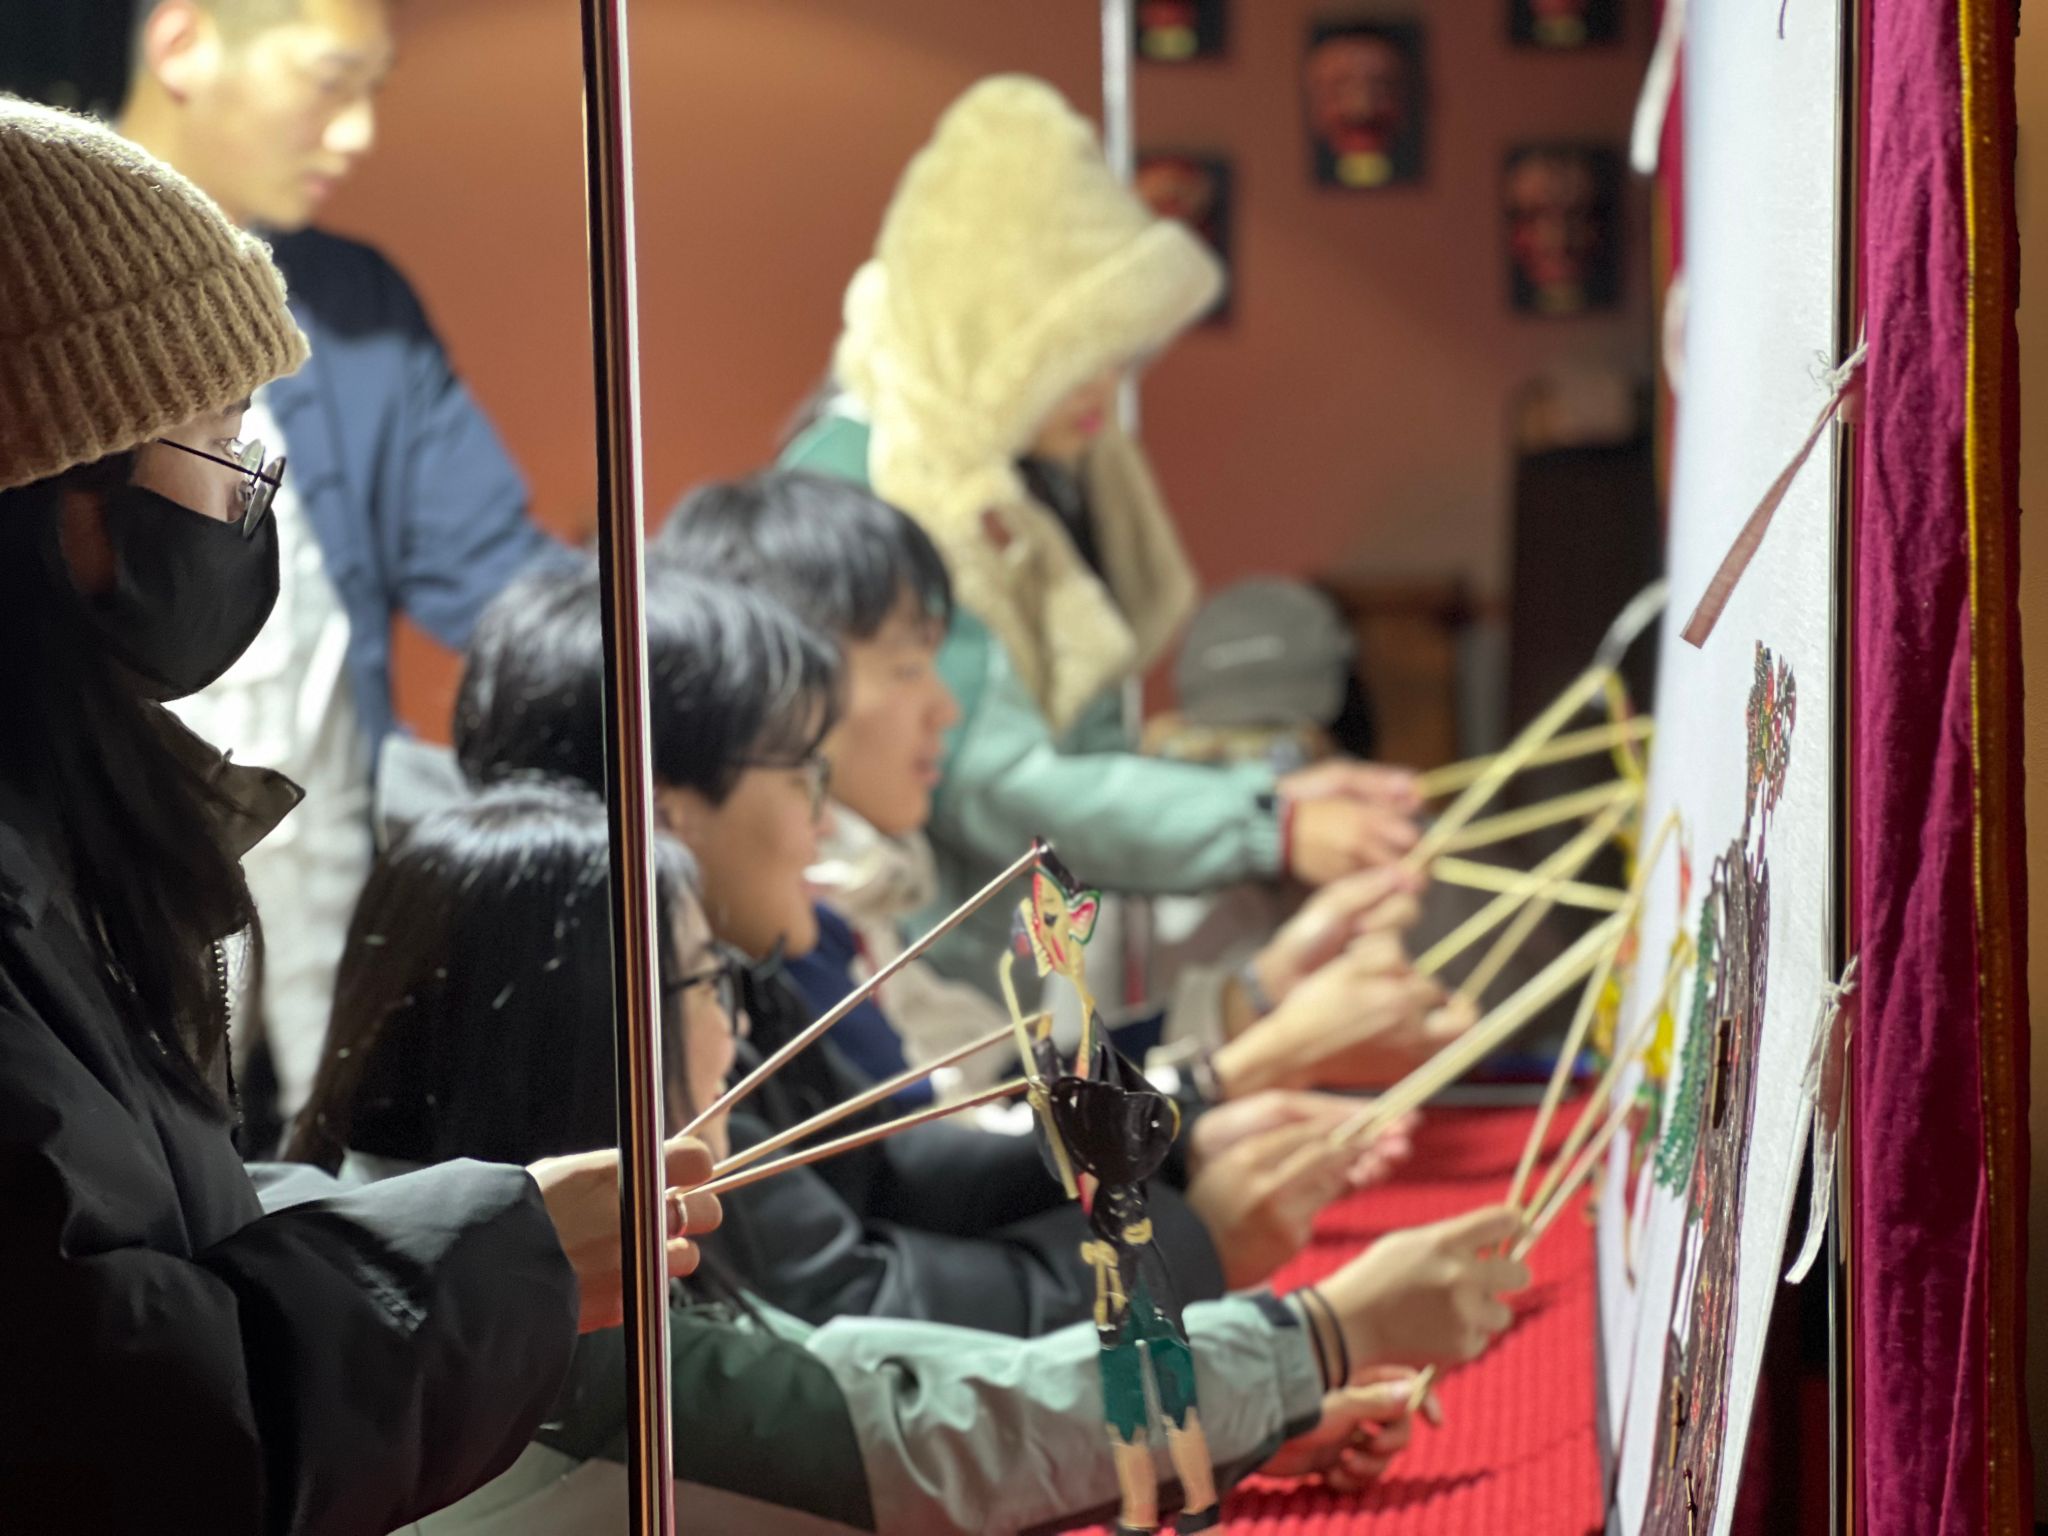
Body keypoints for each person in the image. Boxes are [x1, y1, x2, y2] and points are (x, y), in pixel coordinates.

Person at [0, 100, 713, 1535]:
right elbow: (113, 1422)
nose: (251, 498)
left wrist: (454, 1233)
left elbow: (160, 1227)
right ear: (58, 485)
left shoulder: (59, 821)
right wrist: (488, 1268)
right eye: (221, 443)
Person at [294, 779, 1534, 1536]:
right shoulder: (525, 1323)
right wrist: (1316, 1335)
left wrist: (1238, 1412)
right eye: (707, 981)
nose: (734, 1024)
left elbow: (835, 1368)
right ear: (585, 1032)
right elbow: (913, 1438)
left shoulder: (397, 1240)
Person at [450, 557, 1432, 1327]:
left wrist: (1180, 1121)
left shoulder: (732, 963)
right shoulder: (620, 1034)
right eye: (801, 770)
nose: (824, 819)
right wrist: (1190, 1259)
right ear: (666, 816)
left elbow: (901, 1171)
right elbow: (851, 1318)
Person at [781, 75, 1423, 1002]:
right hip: (909, 991)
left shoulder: (1005, 465)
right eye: (1078, 351)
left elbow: (1052, 765)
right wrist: (1265, 825)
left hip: (992, 977)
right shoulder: (874, 485)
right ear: (992, 332)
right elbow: (992, 784)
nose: (1109, 384)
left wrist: (1267, 796)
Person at [655, 471, 1471, 1111]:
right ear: (783, 688)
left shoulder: (856, 896)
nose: (946, 709)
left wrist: (1255, 996)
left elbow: (1000, 1087)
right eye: (906, 668)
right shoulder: (777, 923)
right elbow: (953, 1171)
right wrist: (1260, 1055)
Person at [112, 0, 557, 1129]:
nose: (356, 133)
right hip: (97, 902)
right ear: (184, 43)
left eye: (372, 90)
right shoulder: (42, 284)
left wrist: (700, 648)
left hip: (325, 890)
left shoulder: (356, 306)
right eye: (329, 81)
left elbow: (497, 577)